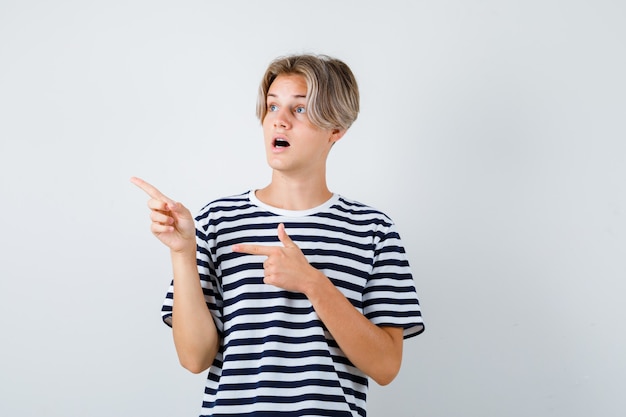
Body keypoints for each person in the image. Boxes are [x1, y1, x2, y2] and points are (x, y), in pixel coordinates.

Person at [131, 53, 424, 417]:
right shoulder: (216, 221)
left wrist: (313, 284)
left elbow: (385, 367)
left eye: (299, 110)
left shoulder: (373, 230)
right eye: (272, 107)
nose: (279, 121)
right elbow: (194, 358)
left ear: (336, 129)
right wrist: (182, 252)